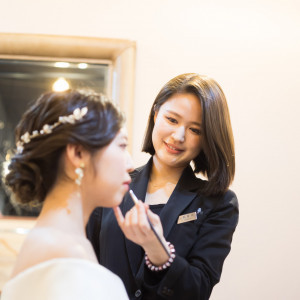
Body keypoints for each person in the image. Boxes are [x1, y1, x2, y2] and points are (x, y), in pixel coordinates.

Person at [87, 73, 239, 300]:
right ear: (156, 114)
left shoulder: (219, 203)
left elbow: (198, 290)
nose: (178, 136)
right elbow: (87, 268)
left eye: (195, 130)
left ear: (207, 138)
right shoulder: (112, 183)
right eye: (172, 120)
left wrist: (158, 249)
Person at [1, 89, 133, 299]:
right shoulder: (62, 251)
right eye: (122, 145)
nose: (130, 164)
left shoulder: (67, 243)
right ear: (78, 154)